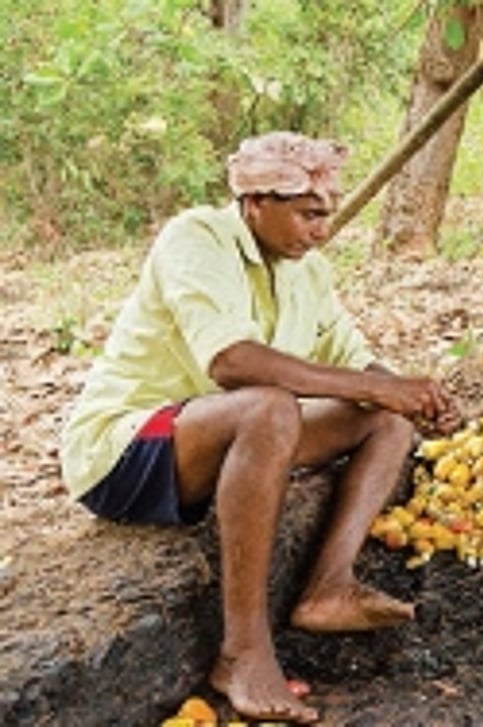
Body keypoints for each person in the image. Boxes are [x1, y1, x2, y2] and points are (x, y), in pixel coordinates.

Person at [60, 131, 461, 724]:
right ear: (254, 204)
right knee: (269, 405)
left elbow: (356, 362)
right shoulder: (196, 238)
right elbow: (230, 364)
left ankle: (328, 587)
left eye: (326, 215)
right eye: (307, 215)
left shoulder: (308, 272)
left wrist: (413, 394)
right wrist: (373, 386)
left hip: (228, 440)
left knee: (385, 419)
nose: (320, 231)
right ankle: (241, 652)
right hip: (126, 451)